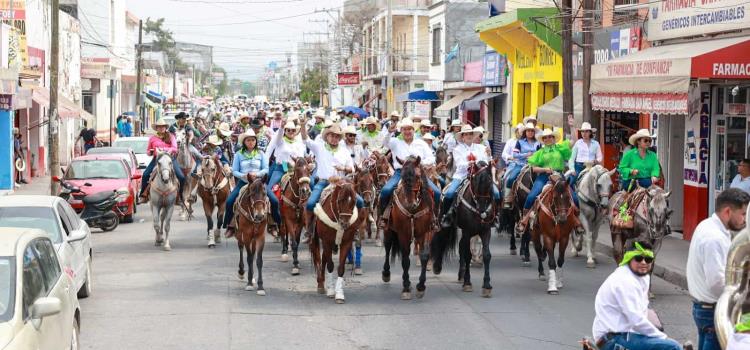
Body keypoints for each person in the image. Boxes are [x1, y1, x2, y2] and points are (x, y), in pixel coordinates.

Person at [687, 188, 750, 350]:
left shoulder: (706, 225)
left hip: (704, 309)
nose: (745, 220)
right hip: (712, 311)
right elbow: (716, 283)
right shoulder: (715, 238)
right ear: (728, 211)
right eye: (743, 214)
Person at [592, 241, 683, 350]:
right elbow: (636, 320)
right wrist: (664, 338)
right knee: (673, 347)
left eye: (648, 259)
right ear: (629, 258)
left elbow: (642, 310)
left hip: (628, 332)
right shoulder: (625, 281)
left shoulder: (643, 276)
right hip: (614, 337)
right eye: (639, 258)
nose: (644, 262)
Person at [300, 121, 363, 237]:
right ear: (327, 136)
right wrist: (303, 126)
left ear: (340, 138)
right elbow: (305, 140)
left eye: (337, 136)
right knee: (310, 203)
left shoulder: (344, 151)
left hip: (341, 183)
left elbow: (352, 169)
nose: (334, 138)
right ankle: (309, 229)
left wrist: (343, 168)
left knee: (360, 201)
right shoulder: (319, 147)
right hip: (324, 182)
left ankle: (355, 228)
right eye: (332, 135)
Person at [378, 117, 441, 223]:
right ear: (401, 131)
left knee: (437, 193)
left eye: (409, 129)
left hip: (418, 173)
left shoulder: (421, 143)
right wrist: (389, 132)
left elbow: (431, 157)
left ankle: (434, 218)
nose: (407, 132)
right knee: (385, 191)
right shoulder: (395, 142)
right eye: (404, 129)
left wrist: (421, 164)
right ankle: (384, 218)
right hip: (400, 173)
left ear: (413, 130)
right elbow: (384, 142)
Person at [516, 129, 575, 234]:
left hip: (559, 175)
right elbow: (533, 168)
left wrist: (572, 126)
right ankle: (524, 220)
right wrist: (545, 169)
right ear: (543, 140)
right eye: (545, 137)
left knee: (574, 197)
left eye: (550, 137)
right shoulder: (540, 152)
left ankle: (575, 222)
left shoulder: (560, 148)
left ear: (554, 138)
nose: (548, 139)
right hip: (544, 176)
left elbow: (572, 142)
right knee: (531, 196)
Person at [441, 125, 500, 227]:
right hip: (462, 175)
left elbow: (485, 162)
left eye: (470, 134)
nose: (468, 136)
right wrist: (470, 164)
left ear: (473, 136)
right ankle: (447, 214)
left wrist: (486, 158)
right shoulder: (457, 149)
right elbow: (460, 164)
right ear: (462, 137)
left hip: (480, 176)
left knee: (496, 192)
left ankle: (495, 215)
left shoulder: (482, 148)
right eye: (466, 134)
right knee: (450, 193)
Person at [224, 129, 268, 238]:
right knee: (229, 202)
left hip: (258, 183)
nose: (251, 142)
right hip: (244, 183)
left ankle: (273, 225)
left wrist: (257, 174)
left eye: (253, 140)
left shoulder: (261, 153)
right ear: (244, 142)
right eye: (248, 140)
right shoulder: (239, 154)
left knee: (274, 201)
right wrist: (243, 175)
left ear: (255, 142)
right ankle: (230, 226)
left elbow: (266, 169)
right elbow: (234, 171)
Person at [264, 120, 306, 228]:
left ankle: (308, 220)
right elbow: (278, 137)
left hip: (297, 170)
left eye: (293, 130)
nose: (291, 132)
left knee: (309, 188)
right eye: (288, 130)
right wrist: (281, 128)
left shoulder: (299, 143)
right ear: (285, 131)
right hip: (281, 168)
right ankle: (271, 217)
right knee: (269, 189)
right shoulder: (280, 141)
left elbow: (302, 156)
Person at [138, 119, 186, 203]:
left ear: (165, 127)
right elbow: (148, 151)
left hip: (170, 159)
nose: (161, 128)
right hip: (157, 159)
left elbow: (175, 148)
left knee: (181, 177)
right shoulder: (152, 138)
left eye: (162, 127)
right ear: (156, 128)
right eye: (159, 127)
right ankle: (143, 195)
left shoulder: (171, 136)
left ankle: (180, 196)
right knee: (145, 174)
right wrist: (151, 152)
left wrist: (163, 149)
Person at [503, 122, 540, 208]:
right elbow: (515, 155)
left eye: (532, 131)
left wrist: (535, 157)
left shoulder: (538, 143)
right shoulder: (519, 142)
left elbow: (540, 154)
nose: (530, 132)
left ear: (534, 132)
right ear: (525, 132)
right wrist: (526, 155)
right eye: (528, 131)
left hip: (534, 165)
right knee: (511, 178)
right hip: (521, 164)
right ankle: (508, 199)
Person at [568, 122, 603, 205]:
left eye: (586, 131)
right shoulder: (578, 143)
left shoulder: (596, 144)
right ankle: (572, 201)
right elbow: (571, 158)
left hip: (592, 168)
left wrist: (595, 161)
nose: (584, 133)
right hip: (579, 167)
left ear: (590, 132)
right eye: (582, 131)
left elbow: (600, 157)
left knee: (602, 182)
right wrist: (572, 169)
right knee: (569, 182)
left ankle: (602, 203)